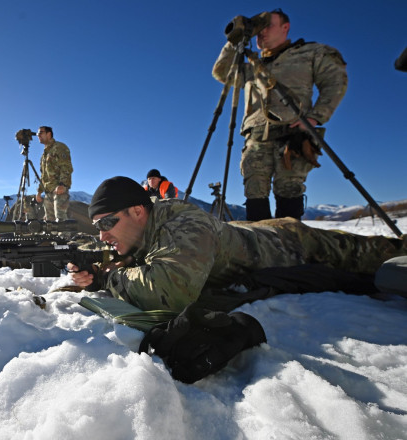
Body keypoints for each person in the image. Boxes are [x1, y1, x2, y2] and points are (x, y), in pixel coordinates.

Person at [68, 176, 405, 313]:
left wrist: (107, 280)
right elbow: (134, 260)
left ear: (138, 211)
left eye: (107, 224)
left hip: (291, 243)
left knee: (382, 252)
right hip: (253, 232)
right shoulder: (140, 231)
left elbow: (170, 290)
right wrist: (94, 268)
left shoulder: (183, 222)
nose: (103, 236)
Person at [212, 9, 348, 221]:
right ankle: (260, 248)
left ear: (286, 27)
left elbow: (335, 82)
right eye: (258, 28)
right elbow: (222, 73)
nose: (261, 32)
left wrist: (315, 118)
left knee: (289, 194)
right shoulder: (252, 66)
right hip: (256, 138)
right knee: (254, 194)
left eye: (267, 25)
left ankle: (290, 249)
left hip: (292, 137)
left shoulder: (310, 53)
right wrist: (234, 42)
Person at [35, 126, 73, 222]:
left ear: (49, 134)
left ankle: (64, 237)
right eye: (37, 134)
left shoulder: (59, 147)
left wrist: (62, 185)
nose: (38, 135)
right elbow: (43, 175)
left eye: (40, 133)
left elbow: (66, 167)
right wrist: (39, 192)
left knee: (60, 220)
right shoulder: (44, 155)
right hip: (48, 192)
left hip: (59, 190)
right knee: (49, 222)